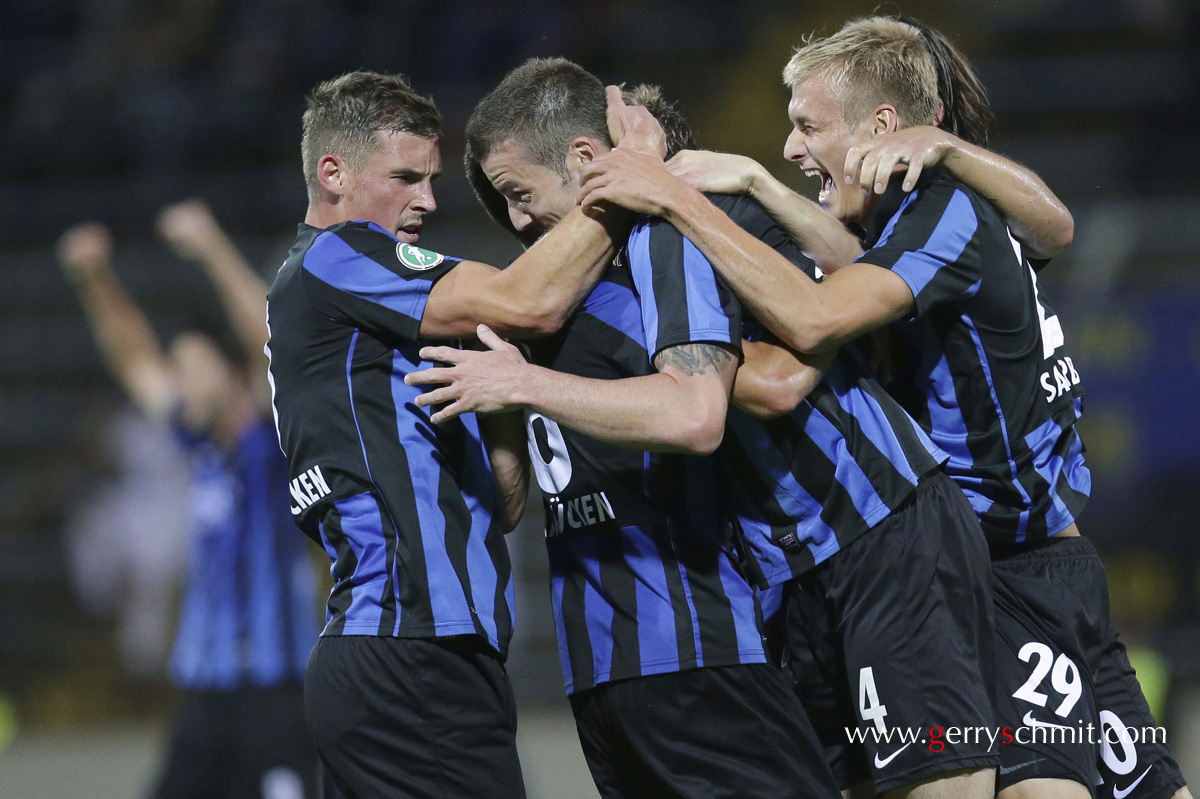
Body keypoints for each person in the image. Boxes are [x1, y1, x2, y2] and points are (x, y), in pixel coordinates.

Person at [577, 16, 1190, 799]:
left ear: (882, 127)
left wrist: (672, 196)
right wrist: (758, 184)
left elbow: (816, 318)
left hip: (1005, 568)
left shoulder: (946, 209)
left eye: (806, 127)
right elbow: (1042, 226)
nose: (793, 149)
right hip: (1028, 557)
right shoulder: (919, 214)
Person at [409, 57, 1007, 799]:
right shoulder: (584, 292)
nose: (520, 223)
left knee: (941, 782)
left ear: (592, 160)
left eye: (520, 196)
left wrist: (744, 188)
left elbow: (784, 373)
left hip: (879, 528)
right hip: (784, 576)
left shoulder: (699, 216)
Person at [264, 70, 639, 799]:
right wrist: (627, 182)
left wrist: (502, 395)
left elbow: (500, 506)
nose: (427, 201)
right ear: (332, 172)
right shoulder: (340, 256)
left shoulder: (371, 331)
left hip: (401, 658)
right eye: (406, 177)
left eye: (431, 179)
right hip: (411, 653)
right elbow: (529, 301)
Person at [57, 202, 322, 799]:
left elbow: (268, 341)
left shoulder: (270, 444)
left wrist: (209, 246)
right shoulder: (199, 445)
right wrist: (94, 278)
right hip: (204, 692)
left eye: (194, 368)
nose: (181, 382)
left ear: (231, 375)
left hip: (274, 689)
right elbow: (134, 361)